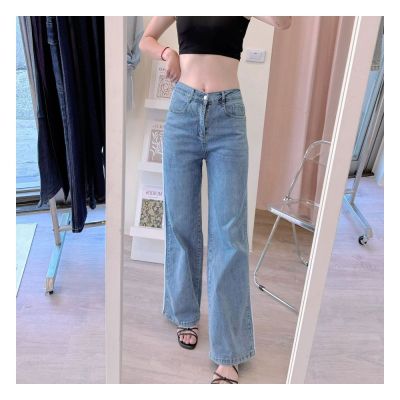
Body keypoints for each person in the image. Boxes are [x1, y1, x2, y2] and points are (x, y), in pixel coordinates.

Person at [139, 15, 292, 384]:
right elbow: (146, 38)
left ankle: (229, 352)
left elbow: (284, 20)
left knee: (230, 235)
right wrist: (167, 53)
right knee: (181, 222)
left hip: (227, 116)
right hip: (183, 111)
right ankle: (185, 315)